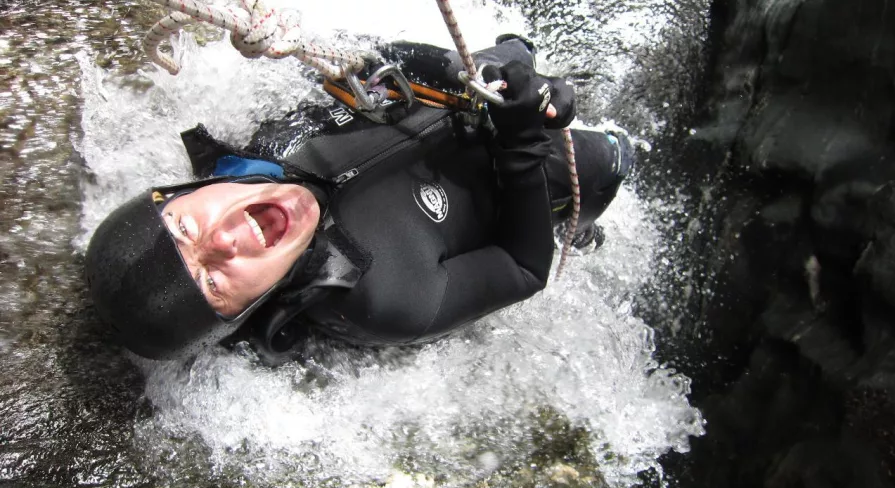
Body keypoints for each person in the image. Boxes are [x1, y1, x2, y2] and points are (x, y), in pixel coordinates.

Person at [84, 35, 634, 363]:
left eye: (185, 228)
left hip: (467, 115)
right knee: (612, 159)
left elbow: (378, 61)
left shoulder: (266, 131)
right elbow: (522, 269)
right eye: (212, 282)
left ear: (185, 190)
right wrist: (522, 148)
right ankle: (581, 226)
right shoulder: (385, 300)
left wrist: (469, 71)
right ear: (247, 310)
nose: (228, 240)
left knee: (519, 54)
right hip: (518, 180)